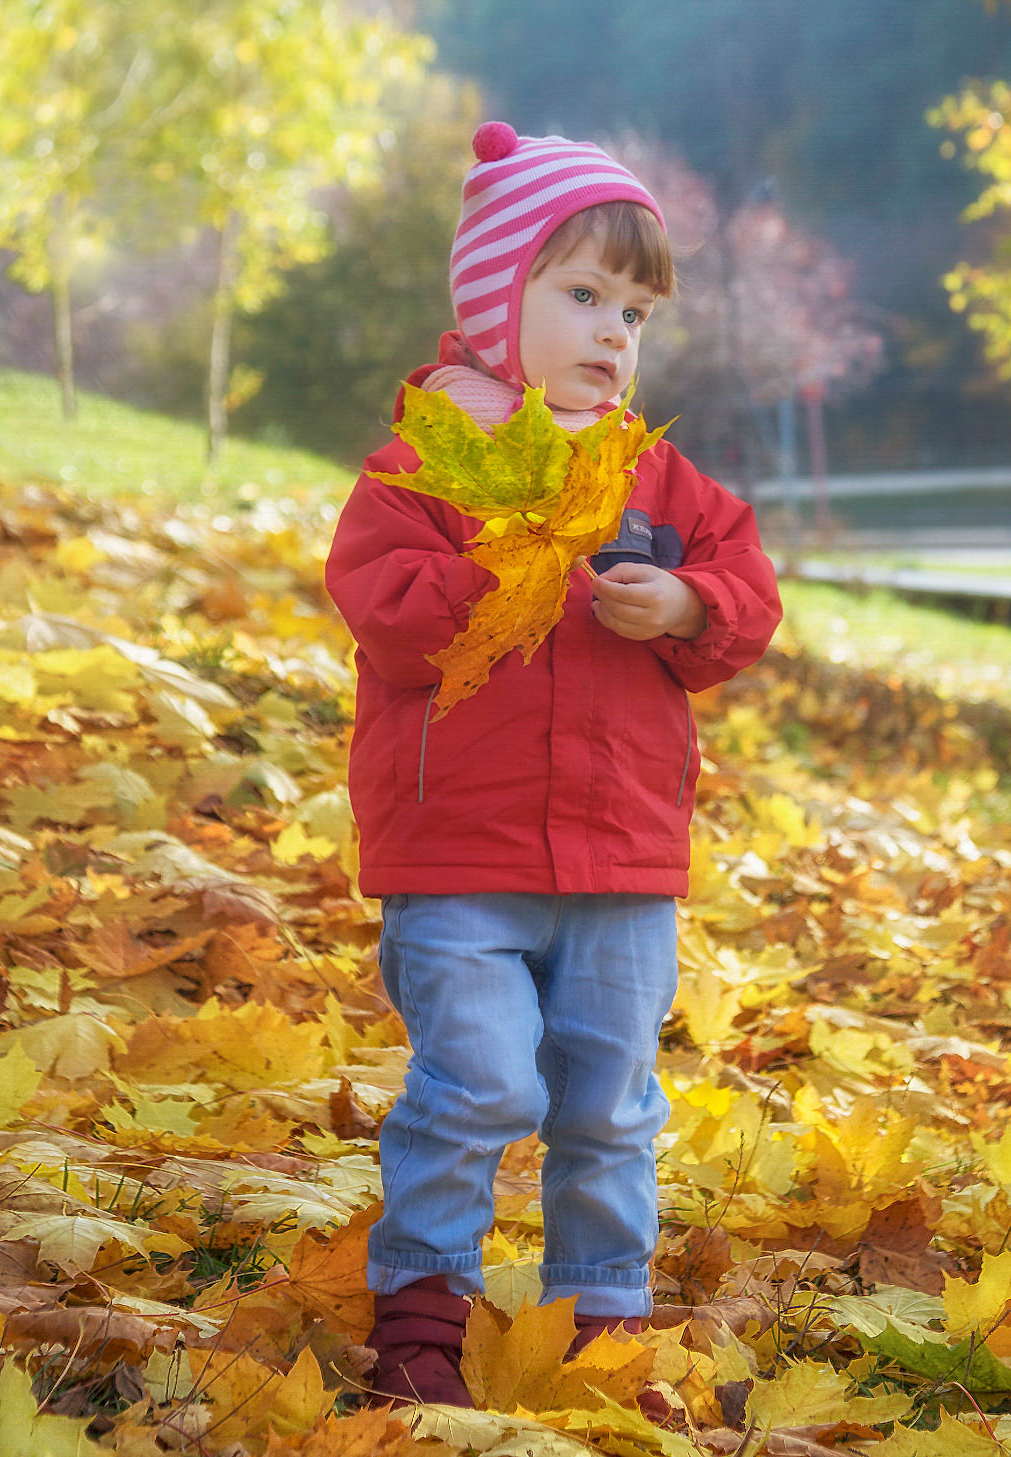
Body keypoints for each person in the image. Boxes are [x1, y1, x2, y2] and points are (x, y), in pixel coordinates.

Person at [324, 121, 782, 1408]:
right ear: (492, 297)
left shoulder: (651, 472)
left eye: (633, 309)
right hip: (460, 850)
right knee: (477, 1078)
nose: (612, 331)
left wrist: (687, 604)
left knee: (608, 1100)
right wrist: (508, 565)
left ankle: (601, 1317)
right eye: (581, 294)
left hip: (622, 854)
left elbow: (747, 589)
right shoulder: (431, 461)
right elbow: (387, 606)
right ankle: (425, 1299)